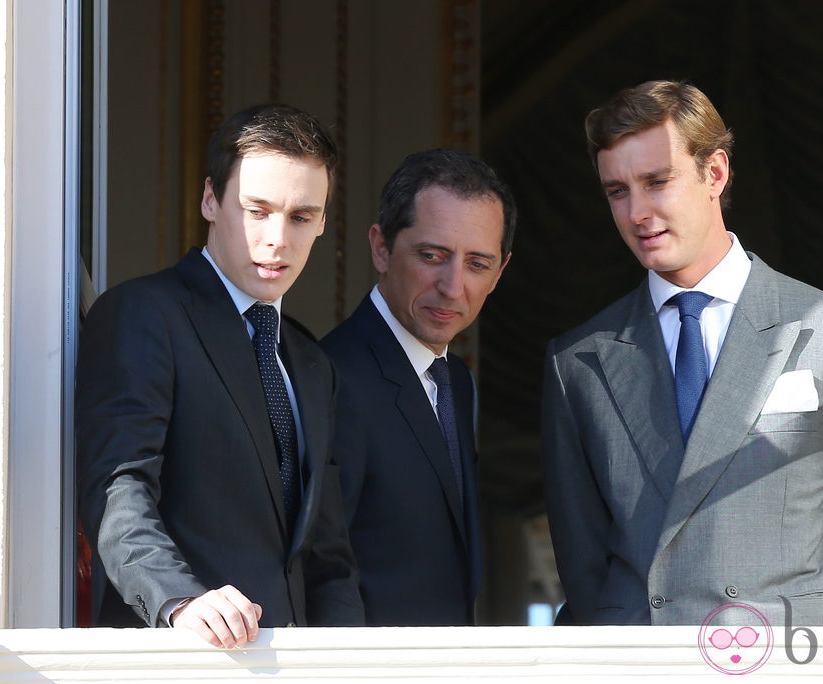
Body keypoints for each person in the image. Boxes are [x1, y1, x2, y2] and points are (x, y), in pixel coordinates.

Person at [542, 80, 823, 627]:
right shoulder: (576, 361)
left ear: (714, 172)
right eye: (618, 191)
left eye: (657, 182)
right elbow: (581, 561)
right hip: (636, 664)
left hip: (786, 664)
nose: (637, 212)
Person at [77, 104, 364, 648]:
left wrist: (347, 659)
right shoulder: (144, 314)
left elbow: (327, 555)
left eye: (301, 216)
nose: (278, 239)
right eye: (257, 210)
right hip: (181, 660)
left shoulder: (311, 363)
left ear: (324, 221)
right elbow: (118, 487)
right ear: (210, 199)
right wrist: (179, 600)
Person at [319, 149, 515, 625]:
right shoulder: (331, 375)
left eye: (477, 264)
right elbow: (322, 568)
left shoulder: (456, 380)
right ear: (381, 248)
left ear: (500, 273)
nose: (452, 287)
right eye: (433, 256)